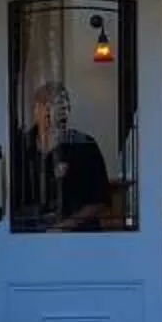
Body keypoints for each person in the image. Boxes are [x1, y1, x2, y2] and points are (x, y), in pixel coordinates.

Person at [30, 80, 112, 230]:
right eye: (45, 106)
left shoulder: (84, 146)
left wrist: (64, 227)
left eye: (60, 107)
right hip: (26, 236)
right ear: (36, 110)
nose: (51, 113)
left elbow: (99, 201)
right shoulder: (21, 148)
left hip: (78, 236)